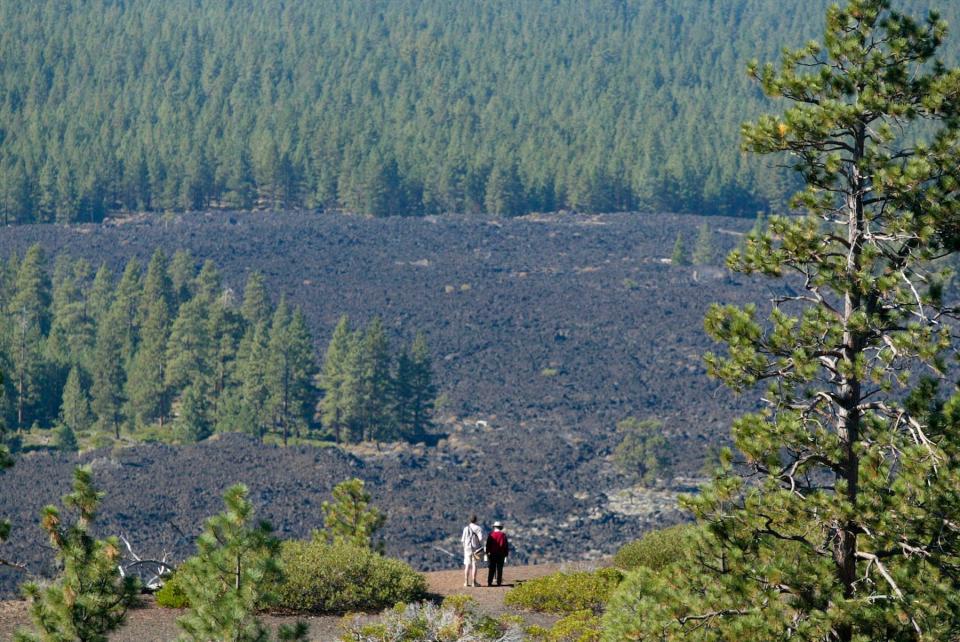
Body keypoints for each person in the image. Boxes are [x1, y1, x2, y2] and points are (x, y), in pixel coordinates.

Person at [460, 515, 484, 587]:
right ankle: (474, 582)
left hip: (467, 548)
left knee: (467, 565)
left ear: (469, 520)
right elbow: (481, 539)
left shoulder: (466, 528)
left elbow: (463, 540)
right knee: (474, 565)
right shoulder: (478, 528)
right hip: (475, 549)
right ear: (476, 520)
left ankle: (466, 582)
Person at [485, 520, 509, 587]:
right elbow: (505, 545)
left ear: (494, 527)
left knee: (491, 569)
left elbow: (488, 545)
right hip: (501, 554)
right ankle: (499, 582)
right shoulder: (503, 535)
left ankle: (489, 582)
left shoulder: (491, 535)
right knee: (499, 569)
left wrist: (487, 552)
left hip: (492, 554)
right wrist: (506, 554)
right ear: (500, 527)